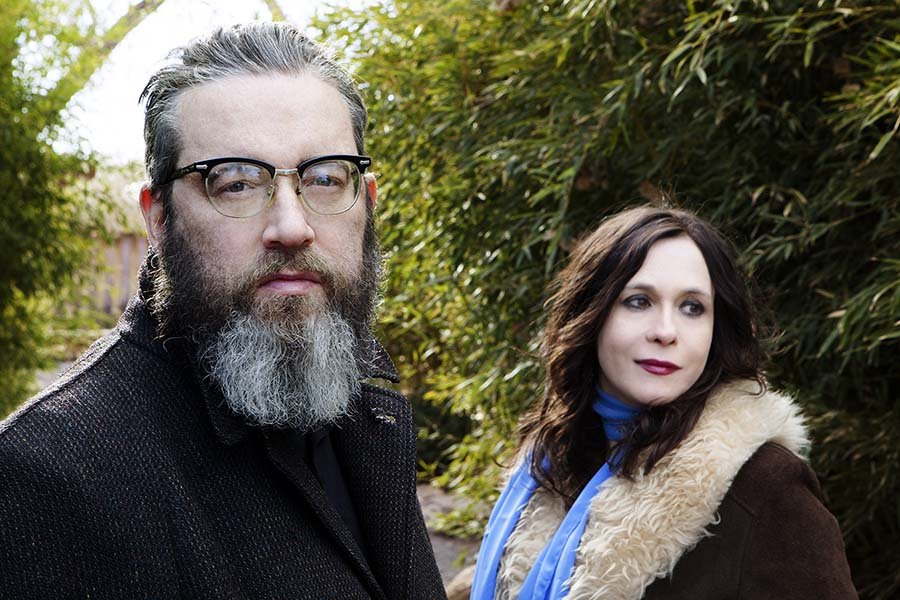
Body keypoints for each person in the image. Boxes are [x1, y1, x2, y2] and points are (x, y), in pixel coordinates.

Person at [0, 23, 445, 600]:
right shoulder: (43, 475)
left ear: (367, 202)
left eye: (325, 178)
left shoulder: (365, 410)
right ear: (160, 218)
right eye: (236, 183)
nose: (292, 227)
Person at [469, 206, 857, 599]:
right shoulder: (550, 461)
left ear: (716, 330)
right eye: (639, 301)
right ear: (592, 313)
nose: (666, 331)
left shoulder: (766, 487)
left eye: (692, 307)